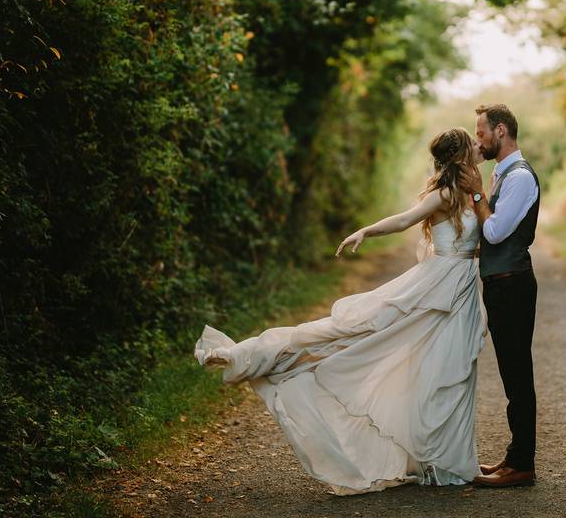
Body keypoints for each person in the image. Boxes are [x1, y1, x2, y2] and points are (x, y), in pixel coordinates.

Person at [194, 128, 489, 496]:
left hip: (459, 288)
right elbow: (403, 219)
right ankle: (253, 354)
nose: (480, 145)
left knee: (449, 370)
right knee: (360, 335)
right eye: (473, 142)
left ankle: (447, 460)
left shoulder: (472, 192)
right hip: (437, 286)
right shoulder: (444, 194)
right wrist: (366, 230)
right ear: (461, 154)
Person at [465, 103, 540, 488]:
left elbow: (494, 232)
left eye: (480, 132)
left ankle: (522, 464)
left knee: (517, 374)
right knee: (512, 373)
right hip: (501, 282)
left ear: (500, 131)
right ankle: (514, 457)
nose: (477, 140)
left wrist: (477, 194)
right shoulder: (504, 173)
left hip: (512, 285)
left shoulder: (520, 178)